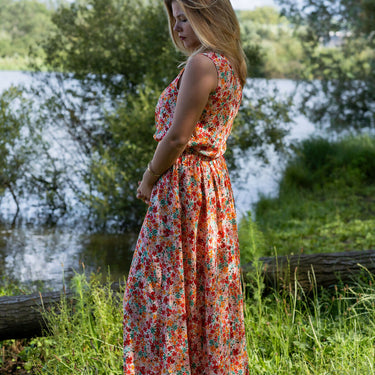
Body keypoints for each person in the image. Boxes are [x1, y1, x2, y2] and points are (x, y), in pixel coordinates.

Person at [123, 0, 250, 373]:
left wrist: (149, 175)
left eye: (184, 18)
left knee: (157, 285)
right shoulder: (231, 63)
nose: (177, 27)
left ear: (207, 17)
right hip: (212, 184)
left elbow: (178, 137)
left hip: (184, 183)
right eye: (174, 19)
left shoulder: (201, 63)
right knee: (204, 285)